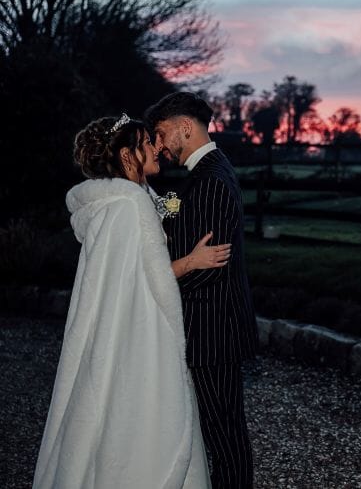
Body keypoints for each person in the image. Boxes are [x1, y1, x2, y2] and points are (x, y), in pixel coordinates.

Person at [33, 114, 231, 488]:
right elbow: (145, 277)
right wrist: (192, 262)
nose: (157, 147)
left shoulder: (117, 202)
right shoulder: (129, 205)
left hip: (122, 330)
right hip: (140, 334)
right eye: (146, 143)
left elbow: (127, 273)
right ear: (127, 156)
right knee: (147, 415)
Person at [145, 92, 258, 489]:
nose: (159, 145)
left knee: (224, 435)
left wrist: (154, 282)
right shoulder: (209, 172)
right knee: (222, 430)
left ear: (185, 127)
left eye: (161, 134)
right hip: (215, 325)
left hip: (212, 329)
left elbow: (210, 265)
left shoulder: (209, 180)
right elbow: (191, 239)